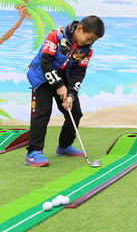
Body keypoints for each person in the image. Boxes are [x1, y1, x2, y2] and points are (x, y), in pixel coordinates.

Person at [25, 16, 105, 167]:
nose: (89, 42)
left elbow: (78, 74)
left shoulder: (87, 50)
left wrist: (71, 94)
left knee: (75, 112)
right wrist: (58, 85)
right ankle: (33, 152)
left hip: (64, 78)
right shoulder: (55, 36)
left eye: (93, 40)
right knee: (43, 112)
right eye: (88, 38)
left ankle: (64, 146)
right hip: (41, 76)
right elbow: (45, 62)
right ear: (79, 28)